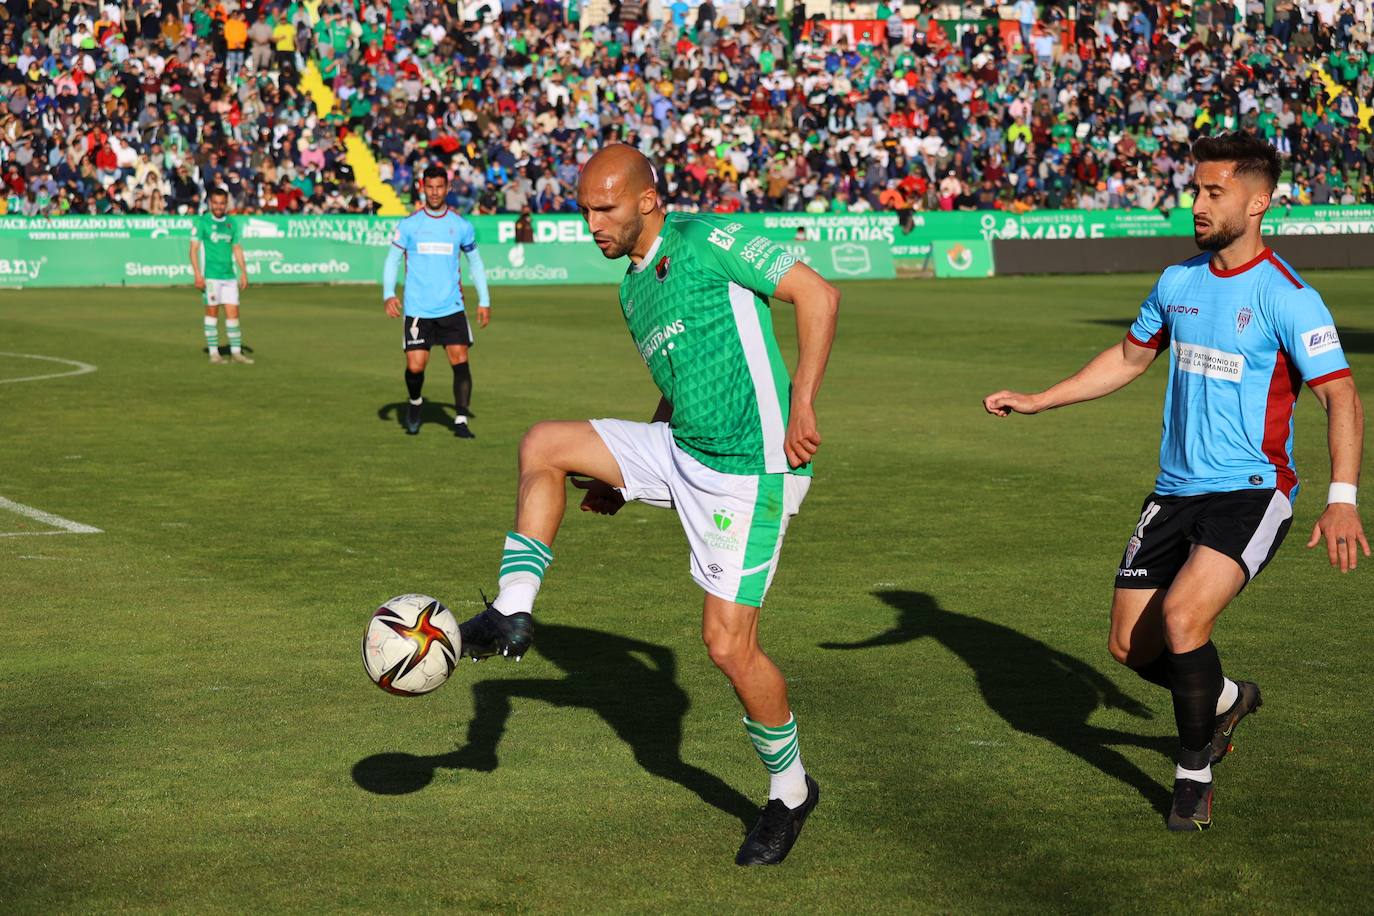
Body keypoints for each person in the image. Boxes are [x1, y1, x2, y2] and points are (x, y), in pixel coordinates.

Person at [455, 145, 840, 865]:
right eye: (584, 210)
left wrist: (803, 404)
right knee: (545, 443)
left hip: (749, 467)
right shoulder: (632, 290)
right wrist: (624, 475)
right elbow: (681, 382)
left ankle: (790, 792)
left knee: (728, 646)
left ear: (647, 202)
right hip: (683, 444)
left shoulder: (703, 240)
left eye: (604, 209)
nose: (591, 225)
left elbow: (819, 296)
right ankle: (512, 608)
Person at [983, 132, 1367, 832]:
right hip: (1174, 489)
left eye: (1213, 192)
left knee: (1185, 619)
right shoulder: (1177, 280)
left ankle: (1192, 774)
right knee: (1131, 647)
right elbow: (1129, 358)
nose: (1197, 203)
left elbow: (1340, 396)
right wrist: (1042, 399)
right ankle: (1224, 696)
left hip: (1254, 488)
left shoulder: (1289, 297)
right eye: (1195, 189)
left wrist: (1343, 500)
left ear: (1258, 204)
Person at [383, 166, 491, 438]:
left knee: (461, 361)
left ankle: (460, 420)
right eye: (430, 187)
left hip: (451, 307)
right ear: (423, 187)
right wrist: (389, 293)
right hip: (419, 309)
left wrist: (484, 300)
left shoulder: (461, 226)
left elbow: (475, 263)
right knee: (415, 366)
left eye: (439, 187)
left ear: (448, 188)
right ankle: (415, 403)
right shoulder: (410, 225)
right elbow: (392, 259)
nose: (434, 192)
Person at [190, 187, 250, 365]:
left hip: (229, 276)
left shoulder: (232, 223)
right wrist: (197, 274)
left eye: (222, 203)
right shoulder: (202, 222)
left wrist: (244, 272)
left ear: (226, 204)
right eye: (215, 203)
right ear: (210, 203)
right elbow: (193, 250)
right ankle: (214, 353)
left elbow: (237, 248)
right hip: (211, 277)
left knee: (233, 314)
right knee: (212, 313)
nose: (218, 206)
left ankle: (236, 352)